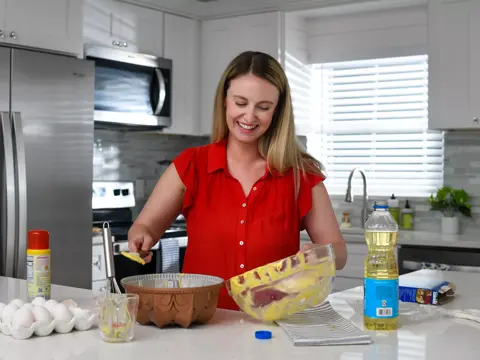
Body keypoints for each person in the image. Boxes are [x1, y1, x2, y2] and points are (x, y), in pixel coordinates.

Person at [128, 51, 347, 310]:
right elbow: (144, 228)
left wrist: (322, 255)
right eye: (240, 103)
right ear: (225, 101)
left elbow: (339, 252)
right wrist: (140, 238)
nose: (249, 117)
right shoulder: (191, 165)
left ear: (277, 111)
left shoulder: (301, 175)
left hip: (274, 326)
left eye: (263, 107)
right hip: (201, 322)